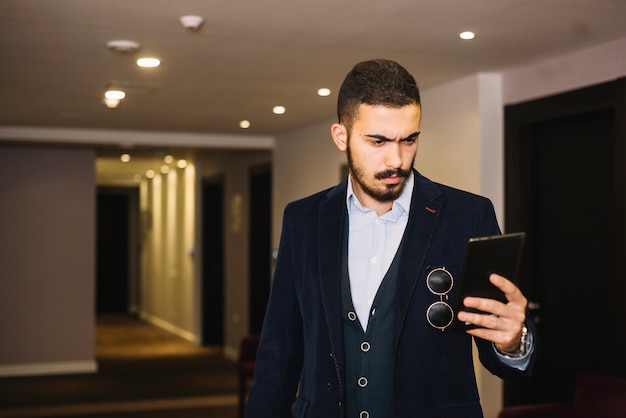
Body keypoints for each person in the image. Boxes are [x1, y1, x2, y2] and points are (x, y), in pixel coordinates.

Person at [245, 59, 538, 418]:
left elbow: (499, 350)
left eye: (409, 140)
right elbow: (279, 352)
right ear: (341, 136)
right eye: (378, 141)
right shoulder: (303, 220)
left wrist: (513, 341)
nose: (396, 159)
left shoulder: (468, 216)